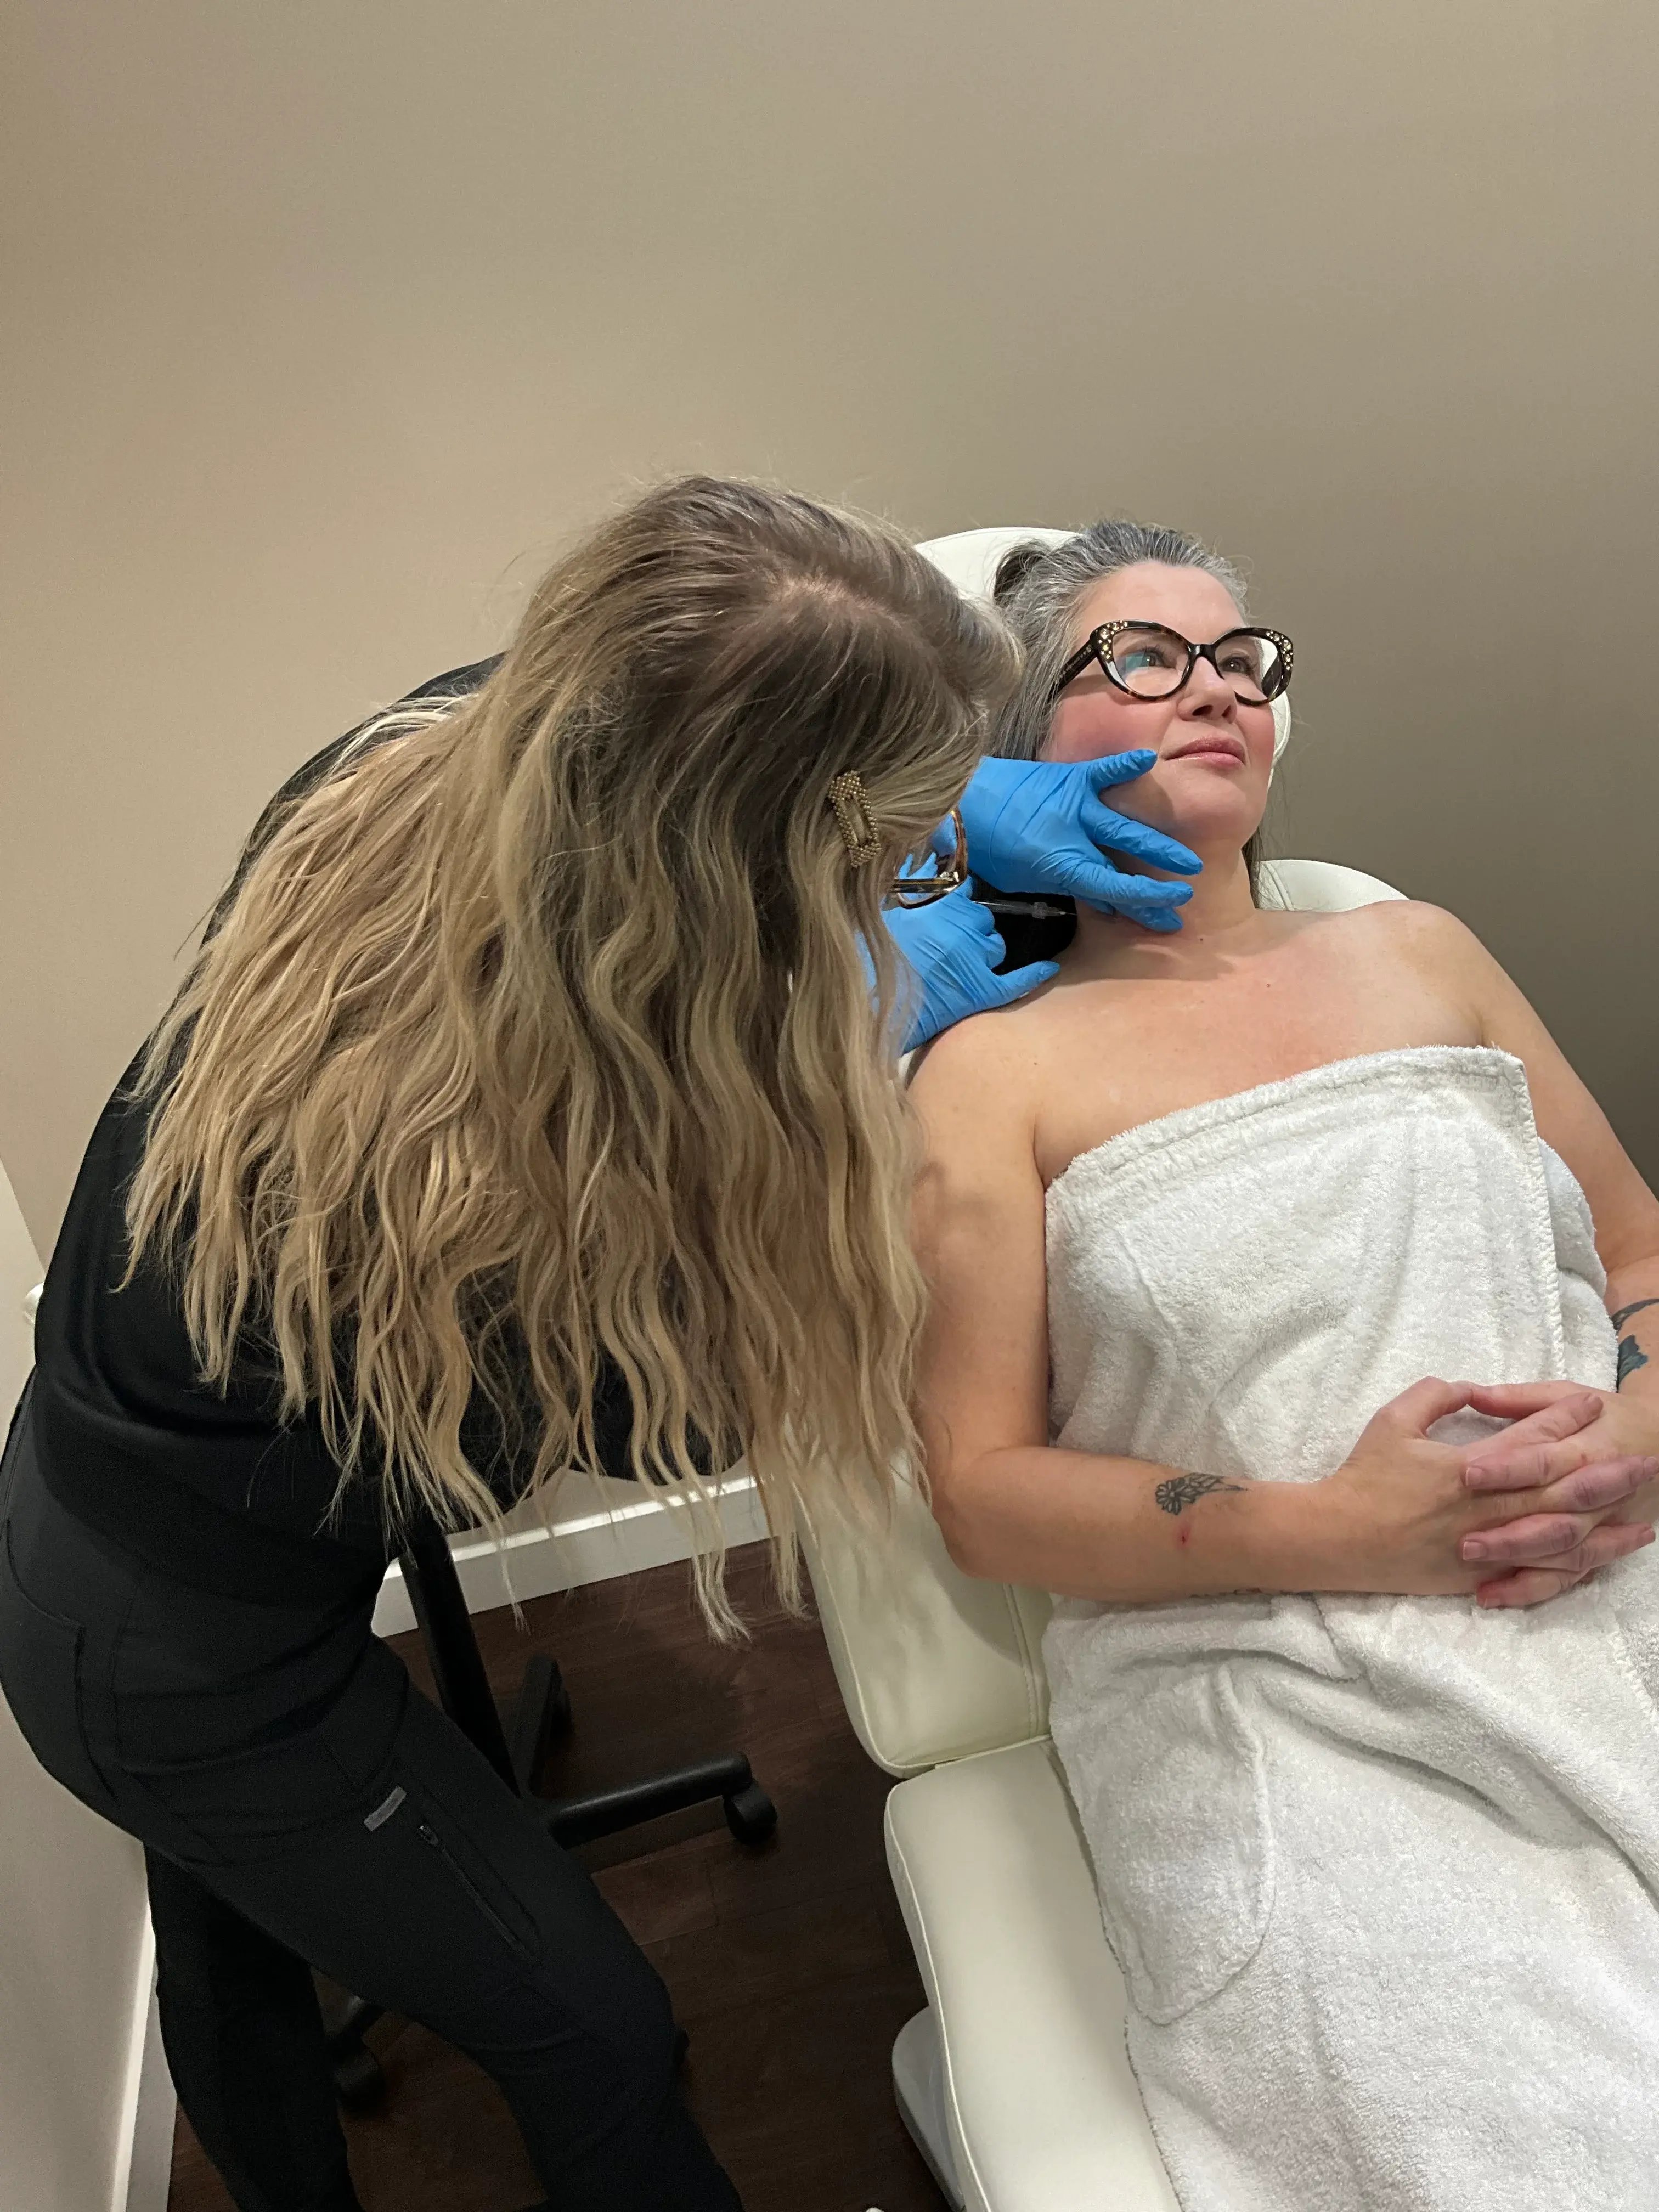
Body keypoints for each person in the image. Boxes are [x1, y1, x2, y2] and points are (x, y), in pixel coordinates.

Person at [0, 475, 1214, 2212]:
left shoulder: (429, 753)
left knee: (226, 1919)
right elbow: (676, 1422)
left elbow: (677, 714)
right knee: (590, 2032)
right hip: (178, 1660)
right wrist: (887, 1011)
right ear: (758, 879)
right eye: (892, 852)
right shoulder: (485, 1187)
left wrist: (954, 815)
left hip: (105, 1479)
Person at [907, 519, 1659, 2209]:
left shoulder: (1422, 952)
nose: (1219, 690)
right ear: (1021, 745)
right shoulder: (985, 1065)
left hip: (1615, 1574)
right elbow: (978, 1490)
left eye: (1242, 660)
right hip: (1281, 1675)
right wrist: (1341, 1531)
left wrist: (1640, 1434)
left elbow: (1640, 1258)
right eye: (1143, 657)